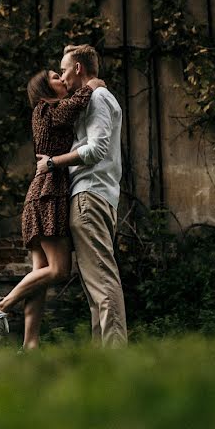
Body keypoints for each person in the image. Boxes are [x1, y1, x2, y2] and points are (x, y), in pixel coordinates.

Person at [0, 69, 106, 348]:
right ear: (44, 89)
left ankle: (30, 344)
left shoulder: (50, 111)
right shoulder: (45, 109)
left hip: (44, 193)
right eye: (55, 77)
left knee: (39, 274)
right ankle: (2, 305)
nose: (62, 79)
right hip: (48, 195)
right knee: (60, 270)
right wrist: (92, 85)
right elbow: (75, 105)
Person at [35, 44, 127, 348]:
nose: (61, 75)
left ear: (78, 68)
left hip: (90, 196)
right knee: (94, 286)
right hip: (94, 196)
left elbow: (96, 149)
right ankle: (102, 358)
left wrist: (52, 162)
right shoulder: (92, 98)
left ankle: (115, 357)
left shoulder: (98, 97)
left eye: (63, 69)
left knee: (101, 280)